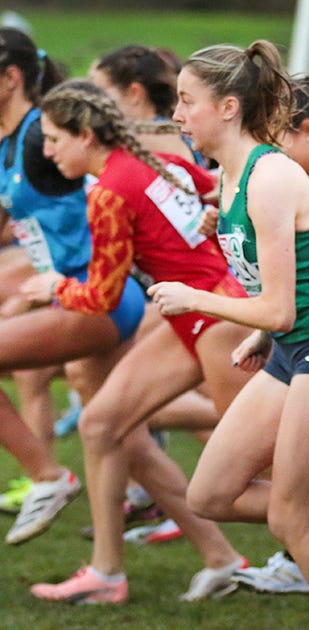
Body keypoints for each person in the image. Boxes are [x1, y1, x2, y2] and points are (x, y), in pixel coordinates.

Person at [157, 40, 309, 629]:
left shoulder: (268, 177)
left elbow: (281, 308)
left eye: (187, 101)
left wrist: (196, 299)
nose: (177, 115)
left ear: (228, 106)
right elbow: (291, 287)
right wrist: (263, 337)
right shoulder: (230, 175)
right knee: (210, 495)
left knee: (291, 518)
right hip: (295, 346)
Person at [27, 79, 251, 603]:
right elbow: (209, 188)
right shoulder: (149, 160)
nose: (47, 150)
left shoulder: (107, 191)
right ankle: (127, 571)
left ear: (86, 135)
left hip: (219, 322)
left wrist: (53, 287)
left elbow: (103, 296)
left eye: (55, 138)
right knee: (103, 424)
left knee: (265, 463)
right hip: (204, 313)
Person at [0, 26, 149, 547]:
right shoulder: (11, 141)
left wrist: (58, 281)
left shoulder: (43, 136)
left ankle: (48, 477)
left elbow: (111, 181)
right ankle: (219, 557)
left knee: (148, 416)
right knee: (123, 435)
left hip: (102, 294)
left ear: (12, 77)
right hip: (80, 290)